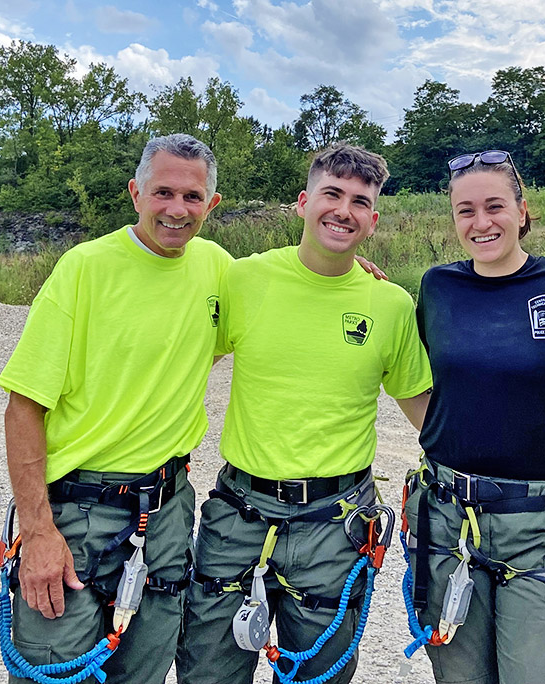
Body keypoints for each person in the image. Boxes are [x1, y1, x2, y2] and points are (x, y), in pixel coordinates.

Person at [177, 143, 433, 684]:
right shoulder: (242, 279)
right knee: (208, 671)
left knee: (318, 676)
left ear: (373, 220)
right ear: (303, 202)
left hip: (335, 523)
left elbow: (423, 407)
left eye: (359, 202)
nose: (343, 210)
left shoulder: (390, 305)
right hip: (238, 512)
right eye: (331, 194)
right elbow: (179, 354)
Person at [0, 133, 229, 684]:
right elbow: (23, 407)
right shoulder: (85, 270)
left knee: (143, 669)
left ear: (211, 205)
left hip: (167, 509)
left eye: (192, 197)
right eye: (162, 193)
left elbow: (290, 287)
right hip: (76, 512)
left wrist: (348, 266)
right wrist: (37, 532)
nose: (176, 210)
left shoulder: (218, 269)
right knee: (55, 670)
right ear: (135, 193)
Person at [402, 149, 545, 684]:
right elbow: (406, 368)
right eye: (465, 210)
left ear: (522, 209)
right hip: (448, 519)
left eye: (494, 206)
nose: (481, 222)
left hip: (541, 524)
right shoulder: (437, 286)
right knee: (461, 677)